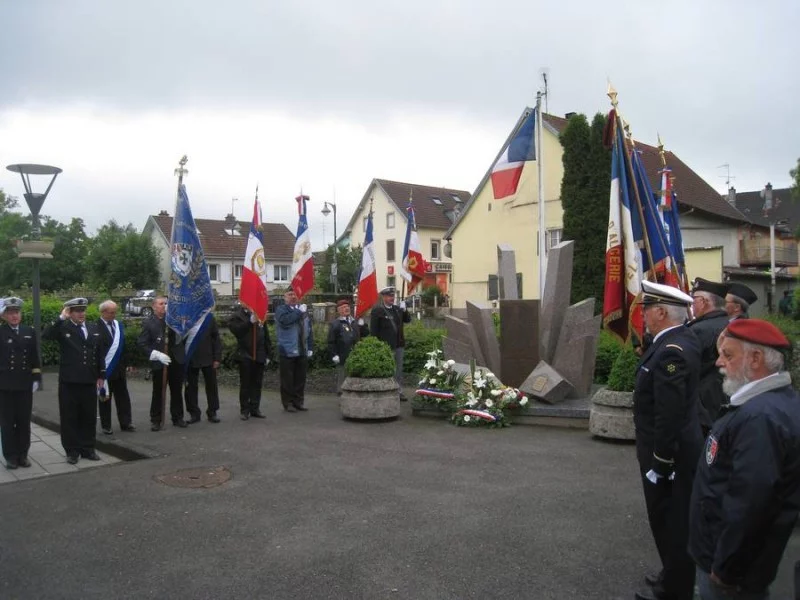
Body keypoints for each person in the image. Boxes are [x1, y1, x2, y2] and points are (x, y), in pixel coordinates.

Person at [689, 319, 800, 599]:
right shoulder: (766, 404)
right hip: (729, 557)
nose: (718, 362)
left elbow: (750, 504)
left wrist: (726, 568)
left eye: (728, 355)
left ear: (755, 359)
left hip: (729, 568)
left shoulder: (760, 418)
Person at [632, 281, 702, 600]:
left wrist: (661, 461)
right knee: (672, 519)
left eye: (647, 310)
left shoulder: (671, 351)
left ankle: (674, 589)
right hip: (675, 449)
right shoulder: (680, 340)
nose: (644, 316)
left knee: (669, 519)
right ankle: (671, 575)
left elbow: (668, 413)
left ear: (661, 312)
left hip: (669, 454)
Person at [42, 298, 105, 465]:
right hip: (69, 381)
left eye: (83, 310)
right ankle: (72, 451)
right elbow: (46, 335)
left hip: (89, 380)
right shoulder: (63, 327)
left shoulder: (93, 328)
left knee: (88, 416)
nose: (81, 314)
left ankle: (88, 448)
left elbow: (99, 352)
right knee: (69, 417)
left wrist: (101, 374)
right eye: (77, 311)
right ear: (70, 313)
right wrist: (61, 318)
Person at [0, 297, 41, 469]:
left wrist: (36, 377)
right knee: (7, 422)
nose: (14, 316)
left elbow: (34, 356)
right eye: (10, 313)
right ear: (4, 316)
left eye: (16, 312)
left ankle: (23, 454)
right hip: (5, 385)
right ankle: (10, 456)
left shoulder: (28, 331)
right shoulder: (1, 332)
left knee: (24, 421)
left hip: (24, 384)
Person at [137, 295, 188, 431]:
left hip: (175, 360)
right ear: (154, 306)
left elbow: (182, 337)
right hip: (160, 361)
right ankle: (156, 419)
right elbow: (142, 343)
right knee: (158, 391)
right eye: (161, 304)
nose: (164, 306)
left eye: (166, 303)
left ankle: (178, 417)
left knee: (176, 390)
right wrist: (156, 354)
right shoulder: (149, 323)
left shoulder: (173, 320)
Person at [686, 278, 730, 434]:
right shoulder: (732, 325)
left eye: (694, 300)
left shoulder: (697, 330)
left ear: (704, 302)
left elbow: (687, 368)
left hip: (703, 404)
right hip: (729, 397)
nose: (692, 305)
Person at [96, 300, 135, 435]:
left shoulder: (118, 325)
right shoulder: (95, 327)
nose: (114, 315)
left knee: (123, 398)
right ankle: (106, 426)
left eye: (115, 312)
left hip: (119, 369)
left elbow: (123, 346)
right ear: (103, 312)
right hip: (104, 370)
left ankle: (126, 423)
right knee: (105, 398)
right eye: (111, 313)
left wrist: (128, 363)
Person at [229, 304, 273, 420]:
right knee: (246, 384)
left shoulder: (259, 314)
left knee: (257, 383)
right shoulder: (237, 316)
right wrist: (250, 322)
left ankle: (255, 408)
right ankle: (245, 410)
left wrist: (268, 353)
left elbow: (265, 335)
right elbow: (237, 331)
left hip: (259, 353)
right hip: (245, 354)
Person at [369, 286, 412, 401]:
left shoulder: (397, 309)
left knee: (398, 370)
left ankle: (398, 391)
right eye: (389, 296)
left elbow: (408, 320)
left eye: (393, 296)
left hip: (399, 344)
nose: (392, 298)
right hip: (386, 346)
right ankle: (386, 391)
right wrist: (376, 346)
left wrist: (404, 310)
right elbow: (373, 331)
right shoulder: (378, 310)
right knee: (387, 369)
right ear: (383, 297)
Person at [275, 287, 314, 412]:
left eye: (295, 294)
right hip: (287, 349)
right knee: (287, 379)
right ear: (285, 297)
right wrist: (298, 312)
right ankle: (288, 403)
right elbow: (285, 321)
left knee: (300, 378)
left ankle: (298, 402)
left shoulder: (303, 310)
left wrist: (310, 346)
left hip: (302, 348)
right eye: (290, 294)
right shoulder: (281, 310)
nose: (293, 297)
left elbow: (309, 329)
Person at [185, 315, 222, 423]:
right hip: (191, 357)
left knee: (212, 386)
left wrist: (217, 358)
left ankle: (212, 412)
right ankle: (194, 413)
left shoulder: (209, 318)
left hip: (208, 357)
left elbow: (216, 338)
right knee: (190, 387)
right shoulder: (187, 317)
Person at [327, 298, 368, 395]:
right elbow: (331, 341)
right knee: (343, 378)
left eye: (347, 306)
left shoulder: (354, 321)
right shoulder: (336, 324)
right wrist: (334, 355)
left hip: (356, 354)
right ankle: (342, 394)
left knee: (354, 377)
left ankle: (353, 395)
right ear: (339, 310)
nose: (346, 308)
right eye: (343, 307)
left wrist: (362, 325)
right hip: (342, 355)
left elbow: (365, 334)